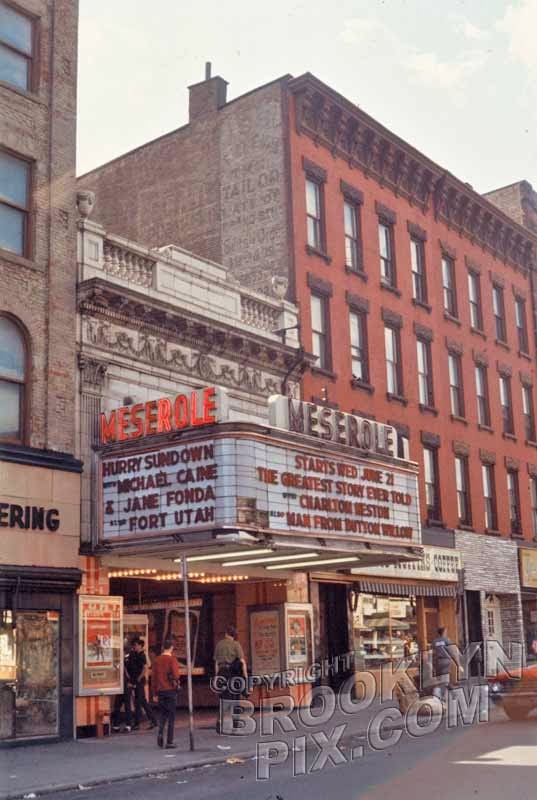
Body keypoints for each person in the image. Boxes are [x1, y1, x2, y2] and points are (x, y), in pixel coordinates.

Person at [214, 625, 247, 733]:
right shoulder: (236, 645)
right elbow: (242, 661)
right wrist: (245, 676)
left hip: (222, 673)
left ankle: (219, 722)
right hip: (233, 674)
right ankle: (235, 725)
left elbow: (216, 663)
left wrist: (216, 677)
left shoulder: (219, 644)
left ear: (226, 633)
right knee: (235, 698)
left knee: (223, 698)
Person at [152, 638, 181, 749]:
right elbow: (176, 675)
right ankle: (169, 741)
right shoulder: (172, 659)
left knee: (163, 715)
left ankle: (160, 733)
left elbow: (153, 678)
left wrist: (154, 693)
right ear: (171, 647)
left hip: (160, 691)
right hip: (170, 691)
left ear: (163, 647)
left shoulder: (157, 660)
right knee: (171, 716)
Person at [128, 638, 157, 730]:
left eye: (136, 645)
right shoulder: (133, 654)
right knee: (142, 701)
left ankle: (137, 723)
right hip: (135, 680)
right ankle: (153, 720)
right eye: (133, 645)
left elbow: (145, 668)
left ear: (140, 646)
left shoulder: (142, 655)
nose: (134, 647)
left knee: (138, 701)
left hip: (139, 681)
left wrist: (139, 678)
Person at [431, 626, 459, 703]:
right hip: (445, 661)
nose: (446, 633)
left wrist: (432, 664)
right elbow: (452, 652)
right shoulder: (447, 640)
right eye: (446, 632)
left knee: (441, 680)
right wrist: (457, 663)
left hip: (437, 662)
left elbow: (432, 653)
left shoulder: (434, 642)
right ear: (444, 632)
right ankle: (444, 697)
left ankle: (450, 695)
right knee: (445, 681)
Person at [111, 653, 134, 732]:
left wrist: (131, 682)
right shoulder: (118, 664)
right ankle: (116, 725)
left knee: (126, 706)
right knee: (117, 706)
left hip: (126, 685)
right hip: (120, 685)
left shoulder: (127, 663)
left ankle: (128, 725)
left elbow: (130, 674)